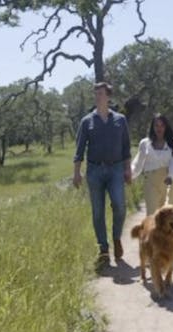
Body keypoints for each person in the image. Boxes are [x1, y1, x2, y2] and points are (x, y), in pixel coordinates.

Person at [73, 82, 132, 265]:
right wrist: (77, 173)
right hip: (94, 170)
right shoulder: (87, 121)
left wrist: (127, 169)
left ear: (108, 96)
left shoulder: (120, 120)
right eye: (96, 93)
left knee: (120, 206)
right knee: (98, 211)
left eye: (101, 93)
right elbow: (79, 148)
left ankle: (116, 238)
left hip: (115, 168)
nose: (98, 96)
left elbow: (126, 147)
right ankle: (103, 249)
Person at [131, 113, 173, 215]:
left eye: (162, 125)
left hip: (167, 181)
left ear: (166, 127)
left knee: (168, 216)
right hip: (150, 181)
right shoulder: (145, 143)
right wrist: (130, 175)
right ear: (152, 127)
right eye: (156, 125)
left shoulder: (172, 144)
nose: (159, 128)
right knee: (152, 214)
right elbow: (138, 163)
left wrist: (171, 176)